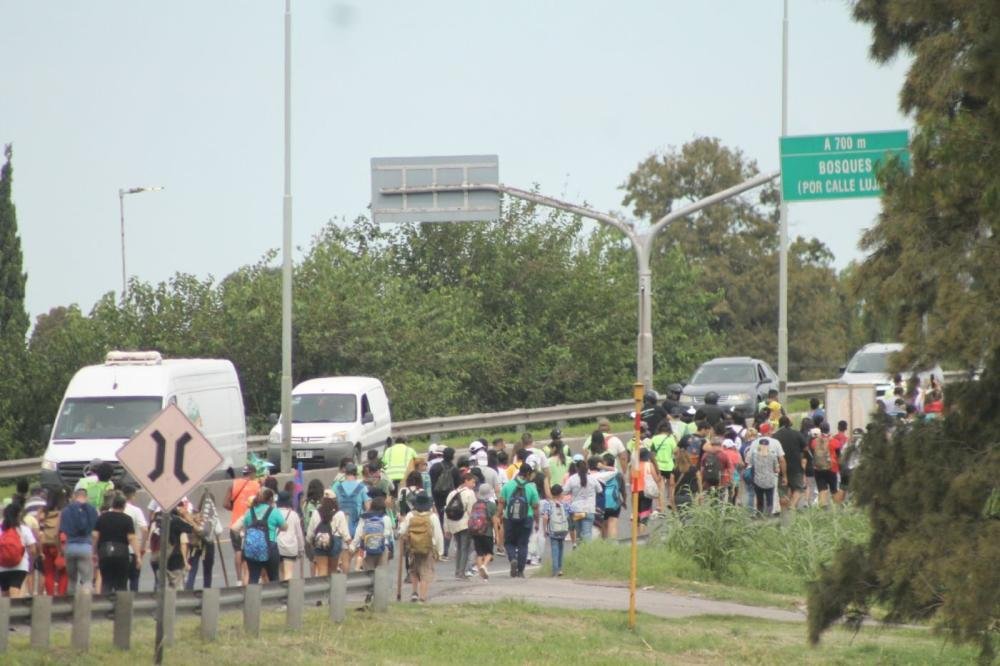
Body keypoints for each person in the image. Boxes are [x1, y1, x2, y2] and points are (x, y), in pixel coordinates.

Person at [397, 492, 443, 603]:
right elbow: (438, 535)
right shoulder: (432, 517)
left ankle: (414, 593)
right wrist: (440, 551)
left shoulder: (410, 515)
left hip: (412, 547)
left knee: (414, 570)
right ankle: (422, 597)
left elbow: (402, 531)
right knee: (425, 572)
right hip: (428, 548)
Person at [498, 463, 540, 578]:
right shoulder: (531, 488)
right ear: (528, 474)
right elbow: (536, 507)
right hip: (527, 518)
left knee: (509, 542)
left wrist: (499, 516)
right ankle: (520, 571)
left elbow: (501, 503)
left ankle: (512, 559)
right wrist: (537, 521)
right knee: (523, 544)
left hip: (509, 519)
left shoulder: (507, 486)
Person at [92, 493, 140, 594]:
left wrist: (94, 552)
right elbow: (131, 538)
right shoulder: (127, 519)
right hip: (121, 553)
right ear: (124, 506)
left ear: (112, 504)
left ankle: (104, 605)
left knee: (106, 581)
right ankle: (121, 607)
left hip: (105, 552)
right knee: (121, 583)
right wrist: (138, 556)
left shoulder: (102, 517)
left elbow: (95, 536)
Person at [226, 465, 261, 586]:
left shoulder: (233, 484)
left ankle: (239, 579)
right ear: (252, 473)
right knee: (250, 551)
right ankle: (251, 577)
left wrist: (236, 508)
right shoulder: (257, 485)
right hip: (250, 522)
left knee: (238, 551)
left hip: (235, 523)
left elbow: (225, 504)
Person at [242, 488, 286, 584]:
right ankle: (273, 598)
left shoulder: (250, 512)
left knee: (253, 577)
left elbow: (245, 526)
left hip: (252, 549)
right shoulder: (274, 511)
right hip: (271, 547)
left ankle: (252, 598)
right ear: (270, 499)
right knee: (274, 577)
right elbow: (284, 527)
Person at [59, 487, 98, 594]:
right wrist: (95, 551)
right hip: (86, 547)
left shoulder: (66, 511)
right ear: (86, 497)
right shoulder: (92, 510)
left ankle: (71, 607)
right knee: (87, 580)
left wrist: (61, 549)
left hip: (70, 548)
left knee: (71, 581)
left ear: (74, 496)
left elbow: (60, 532)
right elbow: (95, 534)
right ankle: (85, 606)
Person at [443, 472, 477, 580]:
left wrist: (446, 528)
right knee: (465, 548)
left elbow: (446, 511)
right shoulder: (470, 493)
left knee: (459, 548)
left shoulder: (451, 493)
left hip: (453, 523)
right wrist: (475, 525)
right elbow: (472, 510)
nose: (474, 485)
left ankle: (457, 571)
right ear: (466, 480)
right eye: (473, 482)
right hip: (465, 524)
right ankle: (461, 572)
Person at [305, 493, 350, 576]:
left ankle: (323, 588)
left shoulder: (316, 513)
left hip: (320, 541)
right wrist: (350, 543)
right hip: (335, 542)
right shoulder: (339, 513)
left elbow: (310, 531)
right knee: (332, 570)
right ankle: (332, 587)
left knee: (322, 570)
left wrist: (309, 542)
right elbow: (345, 533)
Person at [0, 503, 38, 598]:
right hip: (20, 566)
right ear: (18, 515)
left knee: (5, 594)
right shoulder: (24, 529)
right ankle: (15, 611)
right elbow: (33, 549)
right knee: (15, 591)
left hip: (2, 566)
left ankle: (5, 612)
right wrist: (30, 559)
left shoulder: (1, 530)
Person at [430, 447, 461, 560]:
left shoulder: (435, 467)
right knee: (448, 524)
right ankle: (445, 550)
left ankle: (437, 549)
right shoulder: (455, 470)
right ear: (452, 456)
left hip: (437, 499)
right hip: (450, 500)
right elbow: (458, 486)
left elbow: (432, 484)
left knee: (438, 524)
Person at [772, 416, 807, 510]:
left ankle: (784, 513)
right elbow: (805, 448)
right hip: (796, 466)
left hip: (780, 468)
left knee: (782, 492)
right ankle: (791, 506)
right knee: (798, 488)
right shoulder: (797, 434)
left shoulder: (775, 436)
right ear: (789, 423)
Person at [350, 496, 393, 571]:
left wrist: (353, 546)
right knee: (381, 574)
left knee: (369, 572)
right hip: (383, 548)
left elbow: (359, 533)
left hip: (368, 548)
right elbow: (390, 536)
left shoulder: (365, 517)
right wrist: (391, 549)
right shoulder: (386, 518)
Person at [563, 459, 601, 542]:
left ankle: (580, 552)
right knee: (587, 534)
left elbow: (564, 491)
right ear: (587, 468)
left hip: (577, 510)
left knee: (579, 535)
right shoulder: (592, 479)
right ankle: (587, 552)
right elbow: (599, 490)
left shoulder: (572, 479)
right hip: (589, 510)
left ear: (576, 468)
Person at [39, 488, 67, 596]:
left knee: (48, 572)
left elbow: (40, 530)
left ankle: (50, 595)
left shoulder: (43, 512)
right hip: (59, 544)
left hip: (46, 544)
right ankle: (60, 595)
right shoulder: (64, 512)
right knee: (64, 572)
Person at [541, 484, 570, 576]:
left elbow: (545, 517)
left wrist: (545, 529)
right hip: (563, 530)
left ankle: (555, 570)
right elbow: (570, 514)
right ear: (560, 493)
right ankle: (560, 569)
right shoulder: (564, 505)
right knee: (561, 548)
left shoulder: (548, 504)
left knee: (555, 549)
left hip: (553, 530)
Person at [469, 484, 497, 580]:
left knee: (479, 553)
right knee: (489, 553)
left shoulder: (475, 505)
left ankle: (483, 577)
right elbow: (494, 521)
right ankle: (484, 566)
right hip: (487, 532)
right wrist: (496, 535)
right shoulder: (492, 506)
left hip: (476, 532)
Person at [649, 422, 677, 512]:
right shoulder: (671, 439)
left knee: (660, 486)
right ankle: (671, 503)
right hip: (669, 465)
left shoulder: (654, 439)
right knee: (671, 485)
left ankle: (661, 506)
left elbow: (651, 453)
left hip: (658, 466)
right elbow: (676, 452)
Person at [749, 436, 781, 516]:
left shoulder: (754, 455)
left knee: (760, 500)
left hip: (758, 481)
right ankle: (768, 516)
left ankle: (759, 515)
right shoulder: (773, 455)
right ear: (768, 446)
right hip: (770, 481)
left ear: (759, 445)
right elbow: (776, 469)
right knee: (769, 500)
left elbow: (751, 464)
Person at [672, 448, 699, 513]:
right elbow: (699, 481)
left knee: (680, 517)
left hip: (678, 496)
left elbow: (671, 485)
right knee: (689, 517)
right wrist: (700, 494)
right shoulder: (694, 469)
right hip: (691, 496)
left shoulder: (675, 470)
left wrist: (671, 498)